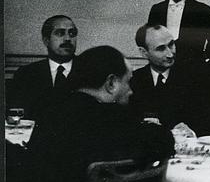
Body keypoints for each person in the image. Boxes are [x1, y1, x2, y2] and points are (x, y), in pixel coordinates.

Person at [26, 46, 174, 182]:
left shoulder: (49, 112)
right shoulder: (113, 118)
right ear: (111, 83)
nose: (131, 91)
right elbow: (163, 140)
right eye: (128, 82)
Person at [130, 24, 210, 135]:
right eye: (161, 49)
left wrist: (191, 132)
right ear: (144, 52)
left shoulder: (197, 77)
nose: (170, 54)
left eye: (171, 45)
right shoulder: (133, 81)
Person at [8, 15, 78, 121]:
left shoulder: (90, 70)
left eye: (72, 33)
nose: (68, 38)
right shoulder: (26, 74)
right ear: (46, 40)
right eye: (60, 33)